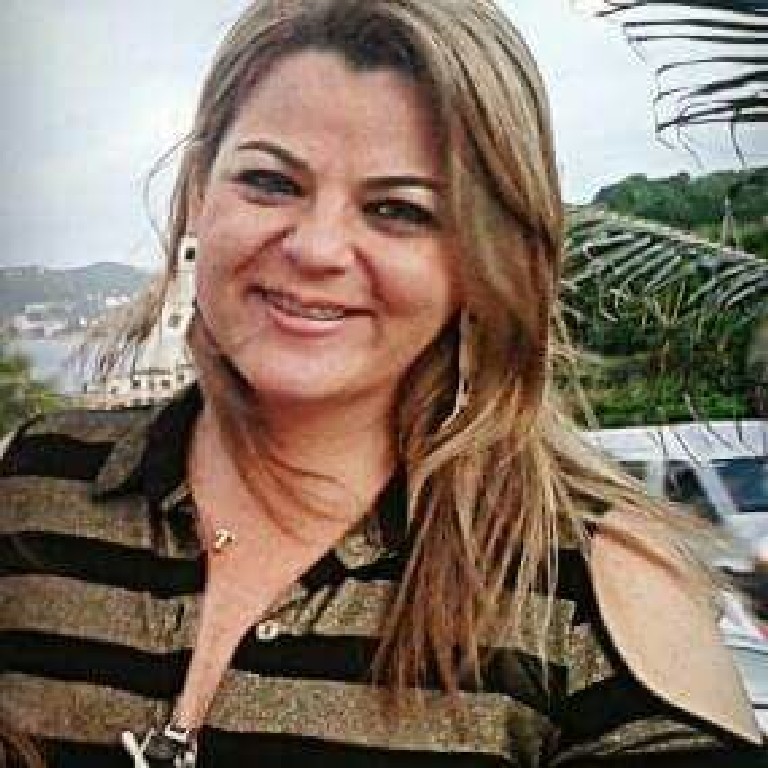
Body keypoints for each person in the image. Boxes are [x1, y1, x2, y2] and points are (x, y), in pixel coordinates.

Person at [1, 0, 766, 765]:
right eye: (270, 182)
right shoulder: (38, 485)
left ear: (484, 255)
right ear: (201, 188)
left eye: (399, 210)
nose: (317, 248)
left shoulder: (596, 586)